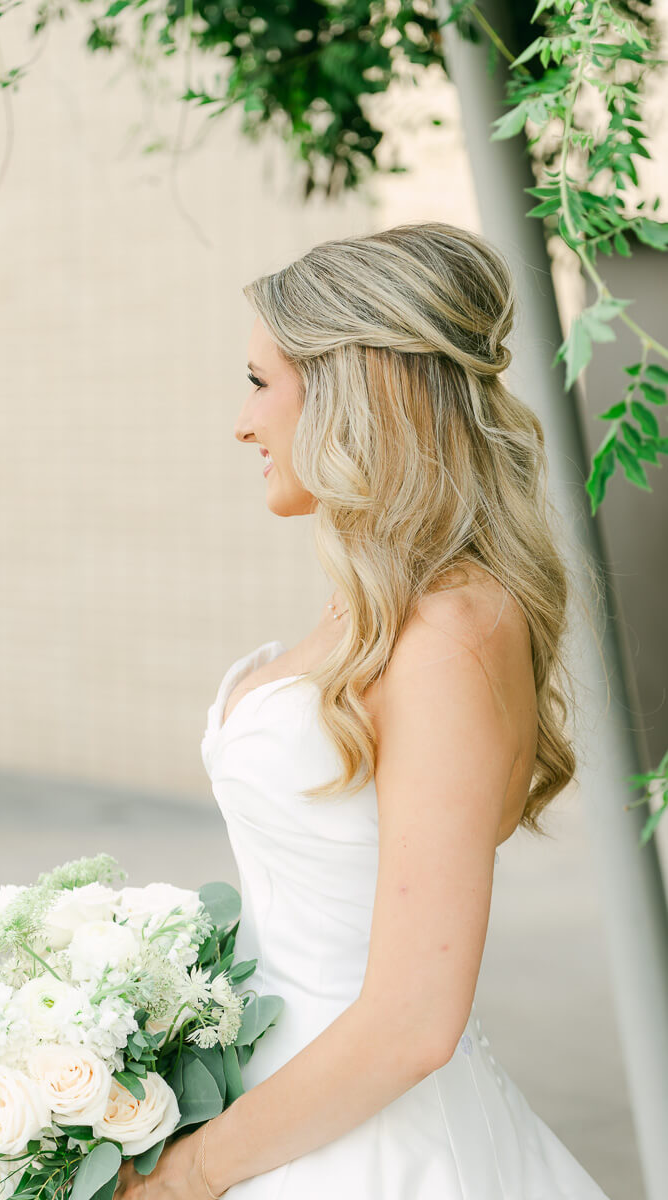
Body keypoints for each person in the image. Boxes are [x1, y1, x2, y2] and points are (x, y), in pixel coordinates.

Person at [114, 222, 612, 1198]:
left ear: (356, 388)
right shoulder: (387, 604)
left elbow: (415, 1019)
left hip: (369, 1152)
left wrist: (188, 1177)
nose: (242, 422)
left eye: (259, 383)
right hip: (284, 1109)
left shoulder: (447, 635)